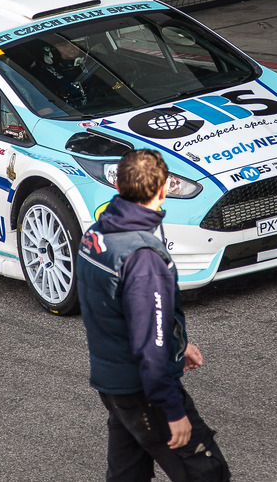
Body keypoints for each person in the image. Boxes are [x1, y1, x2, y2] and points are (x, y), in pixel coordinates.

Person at [77, 149, 230, 481]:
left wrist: (179, 345)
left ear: (119, 186)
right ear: (163, 190)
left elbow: (122, 314)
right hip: (145, 391)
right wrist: (172, 410)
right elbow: (150, 344)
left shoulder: (96, 235)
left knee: (127, 476)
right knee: (206, 473)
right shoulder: (143, 258)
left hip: (114, 385)